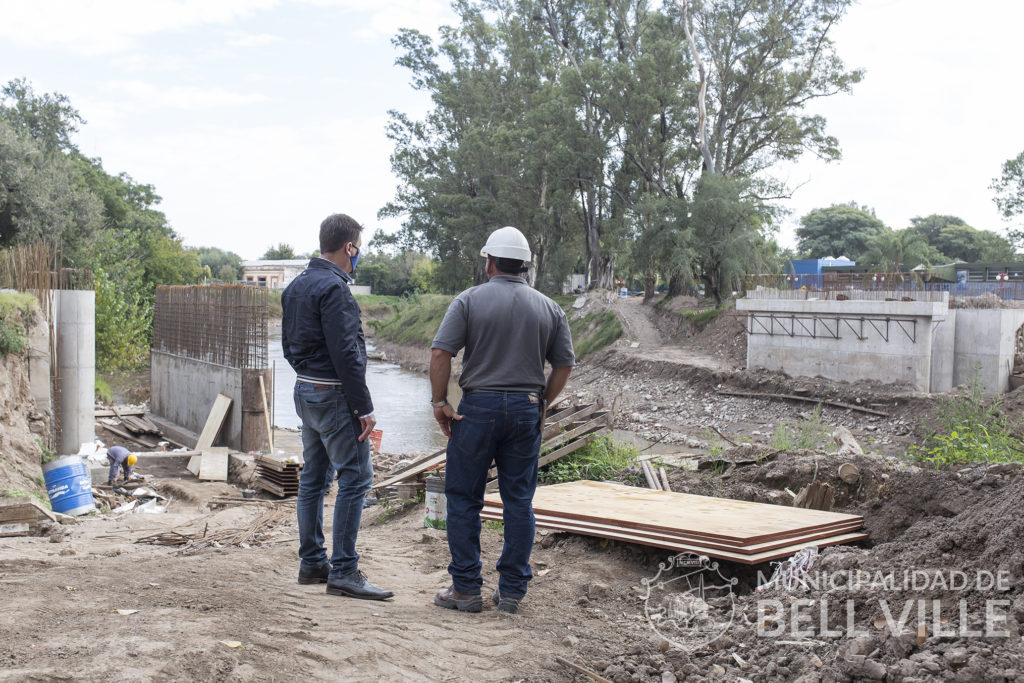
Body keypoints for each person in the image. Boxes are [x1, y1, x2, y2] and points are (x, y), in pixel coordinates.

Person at [430, 226, 575, 614]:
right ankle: (511, 591)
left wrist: (439, 401)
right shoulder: (550, 307)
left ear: (489, 262)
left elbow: (442, 353)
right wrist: (543, 400)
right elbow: (564, 364)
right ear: (525, 266)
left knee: (462, 498)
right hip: (526, 408)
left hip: (477, 409)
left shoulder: (468, 300)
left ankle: (465, 589)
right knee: (518, 501)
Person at [281, 213, 393, 601]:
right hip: (334, 395)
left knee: (314, 478)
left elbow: (288, 346)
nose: (359, 253)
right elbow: (347, 353)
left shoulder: (296, 286)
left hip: (305, 390)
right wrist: (364, 407)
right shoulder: (336, 290)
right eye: (358, 247)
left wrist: (308, 377)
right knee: (357, 478)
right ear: (349, 247)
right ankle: (344, 570)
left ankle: (312, 563)